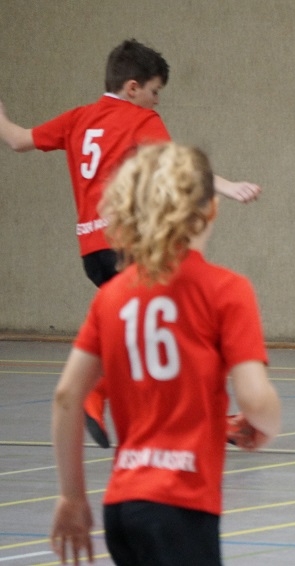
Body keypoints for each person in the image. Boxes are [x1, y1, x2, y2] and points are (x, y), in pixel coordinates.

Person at [0, 39, 263, 449]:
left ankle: (205, 418)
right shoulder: (139, 119)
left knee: (149, 329)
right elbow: (181, 168)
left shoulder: (78, 118)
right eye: (155, 92)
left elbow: (17, 139)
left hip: (93, 253)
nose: (157, 102)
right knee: (186, 320)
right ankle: (100, 393)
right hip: (129, 247)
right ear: (133, 87)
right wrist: (229, 187)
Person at [49, 143, 281, 566]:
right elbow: (255, 398)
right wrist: (266, 425)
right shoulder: (226, 291)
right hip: (182, 504)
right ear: (211, 208)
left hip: (122, 506)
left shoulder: (111, 296)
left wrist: (72, 496)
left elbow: (67, 396)